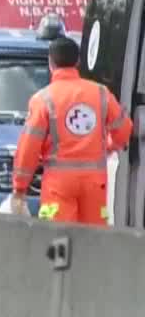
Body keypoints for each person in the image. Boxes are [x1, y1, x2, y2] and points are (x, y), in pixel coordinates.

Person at [9, 35, 133, 225]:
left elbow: (28, 149)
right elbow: (124, 130)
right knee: (93, 240)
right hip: (94, 184)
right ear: (78, 62)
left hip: (58, 187)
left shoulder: (43, 99)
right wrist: (109, 147)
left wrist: (19, 189)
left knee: (59, 243)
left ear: (51, 64)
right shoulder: (100, 93)